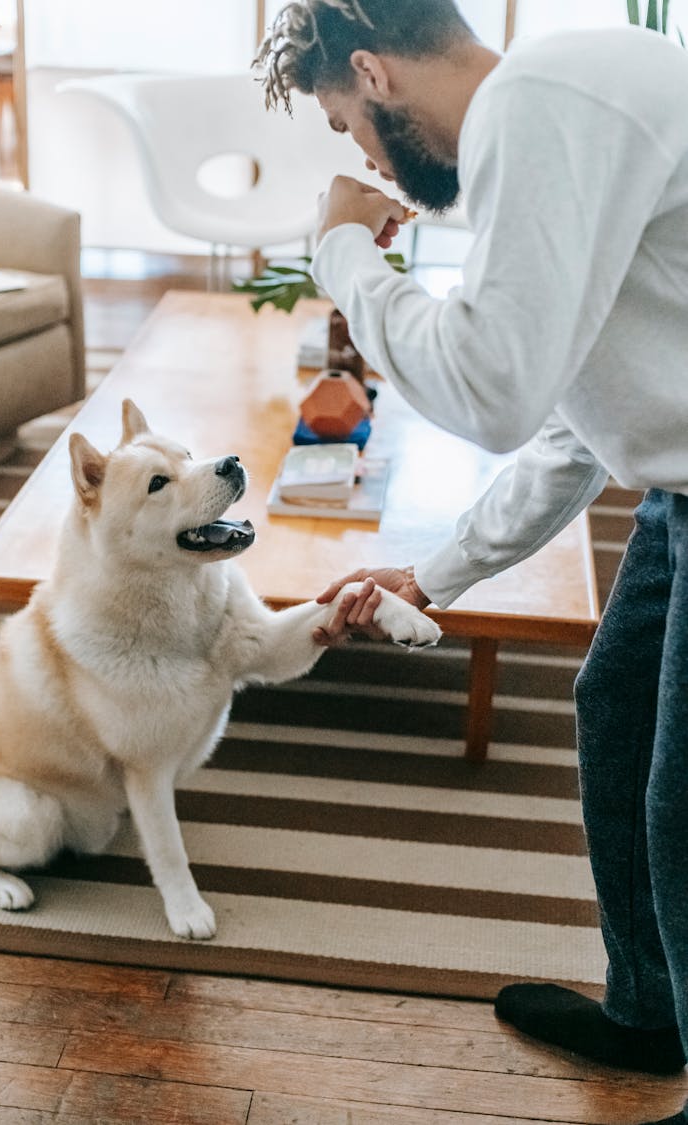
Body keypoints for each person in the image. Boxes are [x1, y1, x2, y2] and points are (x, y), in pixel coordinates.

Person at [253, 2, 688, 1123]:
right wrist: (434, 576)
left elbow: (490, 394)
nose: (359, 155)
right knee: (620, 715)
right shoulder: (548, 110)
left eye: (349, 127)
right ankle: (651, 1015)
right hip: (677, 486)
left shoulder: (540, 108)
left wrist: (340, 249)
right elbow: (567, 421)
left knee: (684, 800)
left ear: (372, 75)